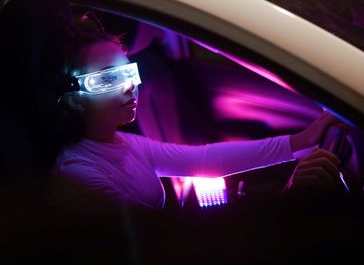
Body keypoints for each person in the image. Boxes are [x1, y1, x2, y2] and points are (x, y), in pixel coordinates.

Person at [46, 12, 342, 215]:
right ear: (75, 101)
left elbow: (204, 159)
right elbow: (159, 244)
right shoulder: (79, 173)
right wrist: (286, 202)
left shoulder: (122, 143)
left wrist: (299, 142)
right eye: (106, 79)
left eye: (128, 72)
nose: (128, 87)